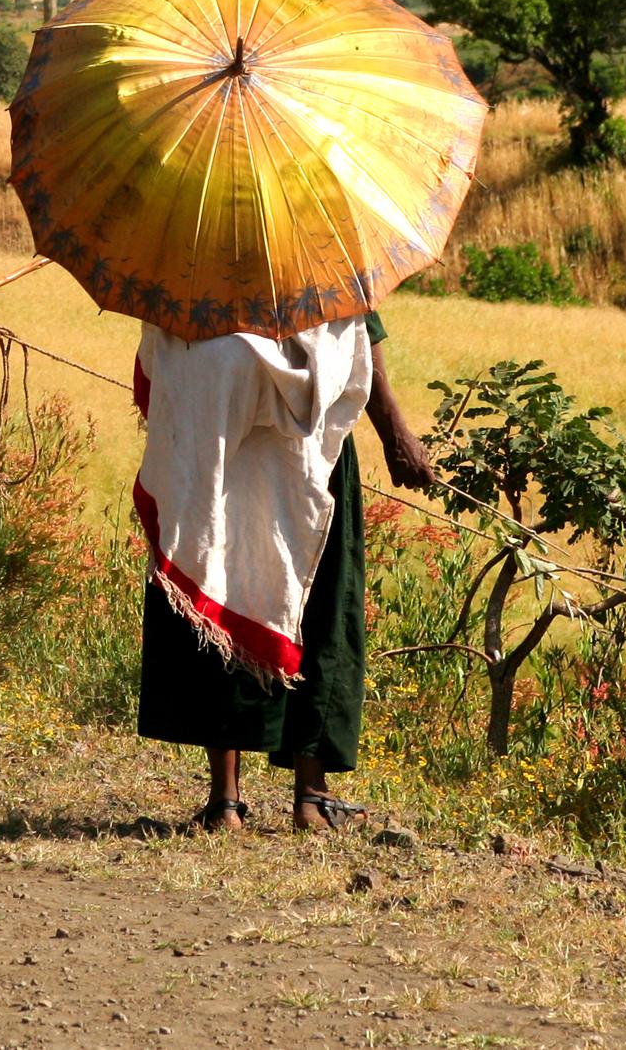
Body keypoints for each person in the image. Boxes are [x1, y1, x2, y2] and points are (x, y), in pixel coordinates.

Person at [131, 308, 432, 832]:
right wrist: (397, 436)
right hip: (309, 462)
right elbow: (360, 335)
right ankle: (310, 800)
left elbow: (166, 365)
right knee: (316, 608)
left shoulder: (184, 260)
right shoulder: (323, 252)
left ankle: (227, 802)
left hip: (217, 453)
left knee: (220, 591)